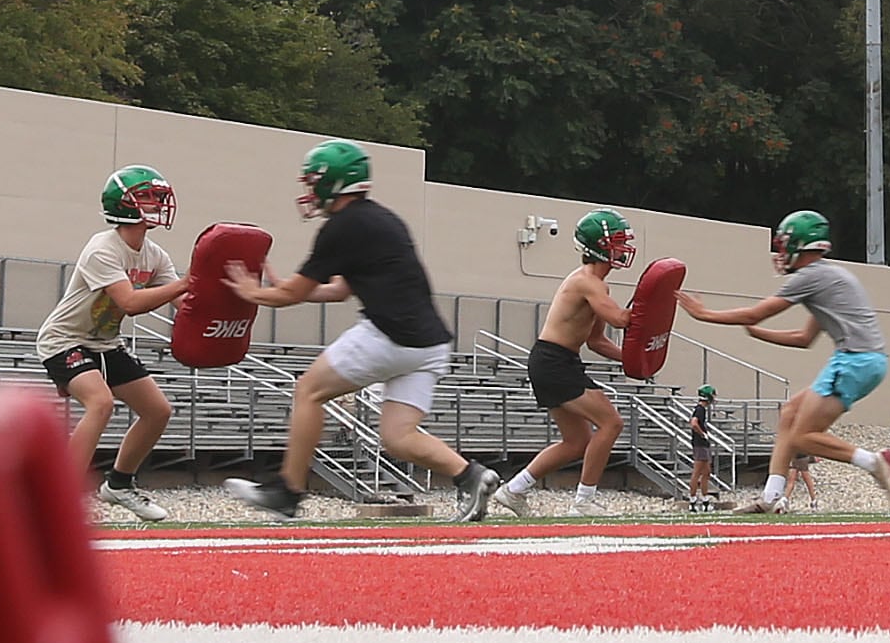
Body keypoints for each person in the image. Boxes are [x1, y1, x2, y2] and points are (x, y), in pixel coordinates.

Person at [220, 140, 500, 522]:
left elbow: (295, 293)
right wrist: (278, 290)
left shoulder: (343, 226)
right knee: (399, 437)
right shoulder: (382, 219)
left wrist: (258, 293)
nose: (309, 190)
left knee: (308, 390)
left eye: (314, 181)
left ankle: (288, 491)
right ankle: (470, 475)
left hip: (390, 334)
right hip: (429, 345)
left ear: (334, 182)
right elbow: (338, 290)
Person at [674, 209, 890, 512]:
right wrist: (758, 335)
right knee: (790, 413)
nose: (780, 252)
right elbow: (803, 338)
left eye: (784, 244)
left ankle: (873, 462)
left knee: (803, 436)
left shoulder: (810, 275)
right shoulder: (831, 275)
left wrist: (704, 314)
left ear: (799, 245)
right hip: (864, 360)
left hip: (854, 359)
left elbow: (756, 312)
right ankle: (770, 497)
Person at [35, 166, 190, 518]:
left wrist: (221, 306)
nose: (159, 203)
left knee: (158, 411)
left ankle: (118, 485)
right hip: (64, 339)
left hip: (104, 343)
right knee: (100, 403)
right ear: (124, 204)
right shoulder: (102, 249)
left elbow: (185, 307)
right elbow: (131, 303)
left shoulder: (155, 254)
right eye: (149, 196)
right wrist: (186, 283)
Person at [492, 208, 640, 514]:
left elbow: (596, 340)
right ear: (598, 245)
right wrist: (651, 305)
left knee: (576, 441)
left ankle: (513, 490)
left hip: (558, 361)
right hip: (554, 361)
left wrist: (632, 361)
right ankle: (584, 502)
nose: (621, 247)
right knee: (611, 422)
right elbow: (620, 318)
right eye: (616, 241)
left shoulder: (598, 285)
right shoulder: (588, 281)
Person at [688, 384, 718, 511]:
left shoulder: (702, 410)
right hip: (700, 444)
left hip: (703, 444)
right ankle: (693, 500)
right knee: (697, 472)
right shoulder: (699, 409)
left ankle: (705, 500)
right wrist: (703, 434)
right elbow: (694, 423)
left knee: (706, 473)